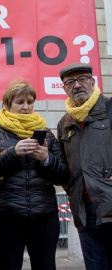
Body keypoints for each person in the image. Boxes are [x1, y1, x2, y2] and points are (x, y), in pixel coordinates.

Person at [0, 79, 69, 270]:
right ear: (7, 104)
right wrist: (12, 153)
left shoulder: (46, 133)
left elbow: (63, 176)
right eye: (19, 102)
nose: (26, 107)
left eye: (29, 102)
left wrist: (46, 159)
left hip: (44, 215)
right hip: (6, 215)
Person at [57, 62, 112, 269]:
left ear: (93, 81)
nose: (77, 85)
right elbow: (64, 166)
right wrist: (73, 190)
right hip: (85, 211)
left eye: (82, 79)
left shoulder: (109, 108)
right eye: (70, 82)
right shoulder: (65, 123)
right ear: (64, 88)